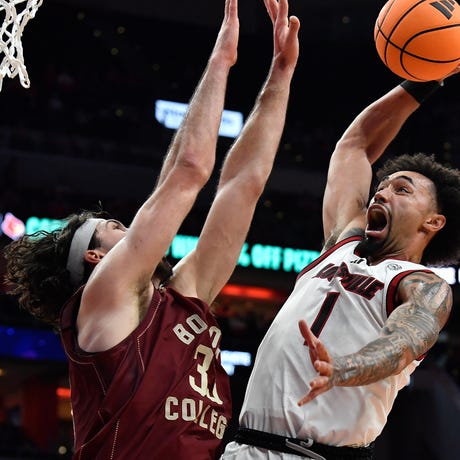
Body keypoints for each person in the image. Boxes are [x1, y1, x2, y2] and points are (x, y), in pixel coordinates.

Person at [3, 0, 300, 458]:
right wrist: (220, 62)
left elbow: (244, 185)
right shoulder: (102, 299)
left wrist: (279, 76)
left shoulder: (182, 298)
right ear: (95, 257)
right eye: (115, 227)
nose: (131, 229)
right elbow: (187, 171)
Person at [221, 72, 460, 459]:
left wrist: (343, 368)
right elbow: (355, 145)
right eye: (382, 186)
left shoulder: (423, 285)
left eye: (402, 190)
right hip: (245, 447)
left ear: (432, 222)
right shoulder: (342, 243)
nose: (381, 193)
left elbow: (403, 343)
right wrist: (424, 80)